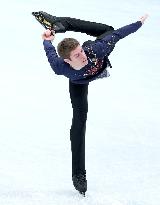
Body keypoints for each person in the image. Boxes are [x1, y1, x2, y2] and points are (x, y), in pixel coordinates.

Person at [32, 11, 148, 196]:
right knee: (79, 120)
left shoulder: (96, 50)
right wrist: (47, 40)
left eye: (81, 51)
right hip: (78, 83)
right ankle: (78, 174)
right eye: (77, 55)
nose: (83, 56)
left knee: (109, 31)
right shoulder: (60, 67)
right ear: (67, 61)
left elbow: (118, 34)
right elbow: (50, 52)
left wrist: (138, 24)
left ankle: (60, 23)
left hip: (97, 60)